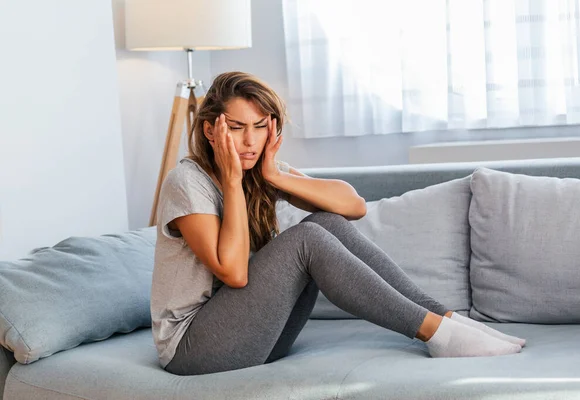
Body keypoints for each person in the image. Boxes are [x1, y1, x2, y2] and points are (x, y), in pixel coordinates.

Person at [151, 71, 526, 376]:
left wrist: (276, 177)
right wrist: (232, 184)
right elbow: (234, 274)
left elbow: (354, 206)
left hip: (260, 335)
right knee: (305, 240)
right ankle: (435, 333)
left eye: (260, 126)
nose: (249, 141)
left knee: (325, 221)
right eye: (235, 127)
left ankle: (446, 319)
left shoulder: (258, 171)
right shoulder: (187, 182)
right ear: (210, 131)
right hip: (194, 349)